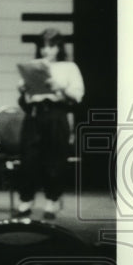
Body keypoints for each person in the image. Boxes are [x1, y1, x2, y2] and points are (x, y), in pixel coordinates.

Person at [15, 28, 84, 220]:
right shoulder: (34, 66)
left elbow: (77, 96)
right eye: (43, 46)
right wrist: (23, 90)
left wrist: (59, 87)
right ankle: (25, 201)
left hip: (56, 114)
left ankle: (51, 202)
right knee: (29, 158)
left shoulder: (69, 67)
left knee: (54, 159)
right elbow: (25, 100)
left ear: (59, 48)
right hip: (35, 114)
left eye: (51, 46)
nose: (47, 51)